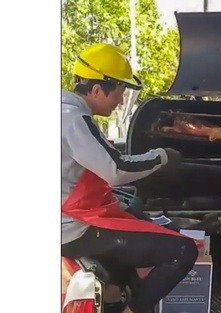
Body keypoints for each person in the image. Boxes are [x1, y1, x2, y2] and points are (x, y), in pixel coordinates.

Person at [61, 43, 198, 313]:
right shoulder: (73, 119)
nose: (121, 101)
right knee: (183, 251)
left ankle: (113, 299)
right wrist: (162, 157)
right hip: (73, 229)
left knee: (133, 228)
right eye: (120, 93)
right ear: (97, 89)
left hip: (68, 221)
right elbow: (115, 169)